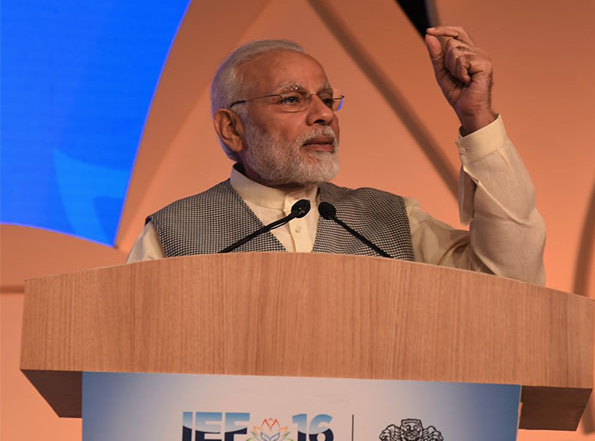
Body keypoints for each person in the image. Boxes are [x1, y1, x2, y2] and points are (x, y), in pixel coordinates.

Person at [127, 26, 546, 285]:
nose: (324, 114)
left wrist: (476, 117)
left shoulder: (393, 221)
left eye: (327, 98)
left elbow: (510, 285)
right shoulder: (172, 236)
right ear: (231, 127)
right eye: (293, 99)